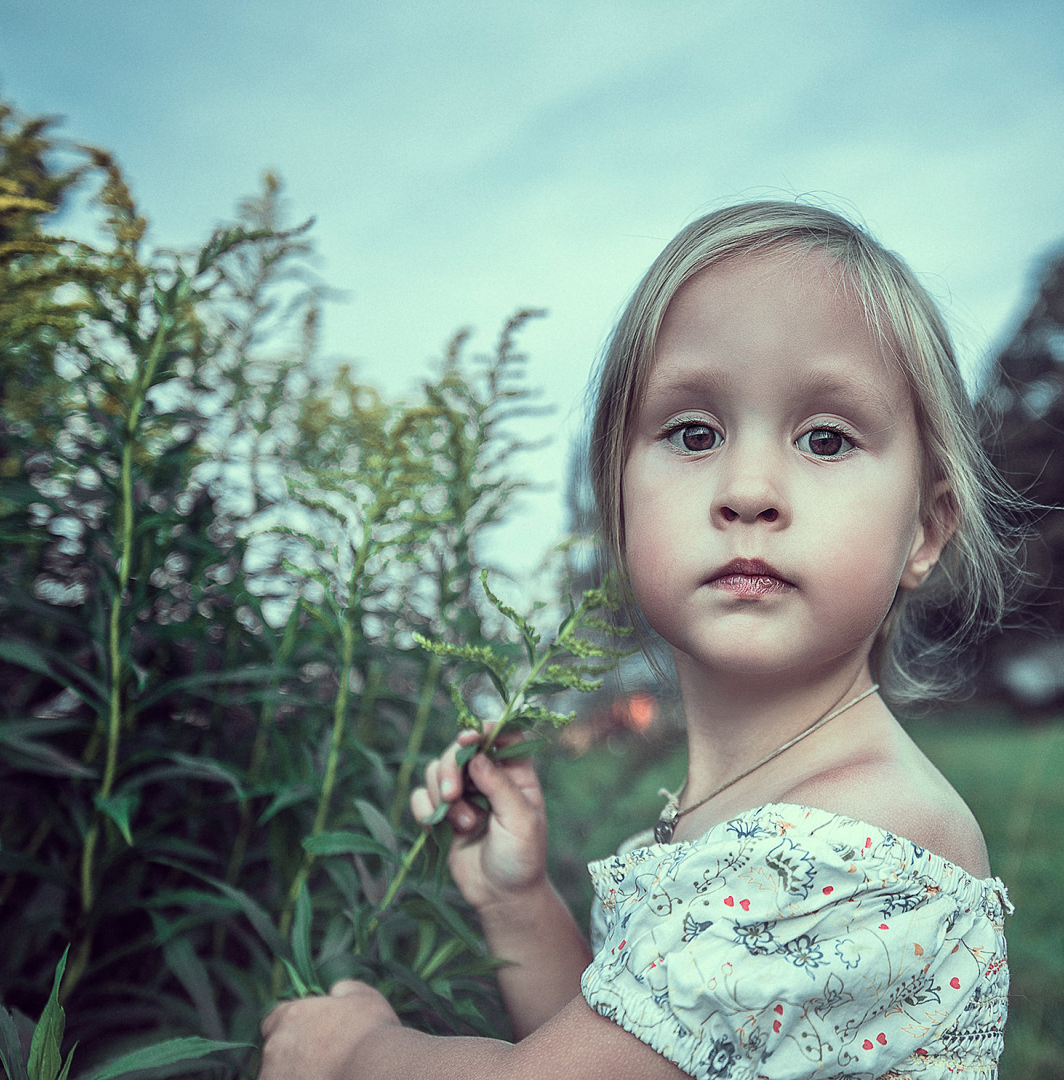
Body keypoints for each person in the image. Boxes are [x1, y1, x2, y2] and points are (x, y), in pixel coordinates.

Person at [259, 201, 1022, 1079]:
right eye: (693, 434)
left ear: (924, 532)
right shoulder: (753, 812)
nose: (747, 489)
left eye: (826, 437)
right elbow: (643, 1052)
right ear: (618, 507)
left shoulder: (855, 839)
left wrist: (353, 1052)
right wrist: (517, 901)